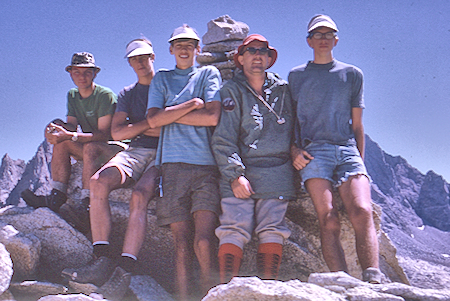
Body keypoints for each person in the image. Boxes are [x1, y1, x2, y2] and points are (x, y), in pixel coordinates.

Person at [61, 39, 160, 300]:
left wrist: (138, 125)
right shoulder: (128, 93)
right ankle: (101, 257)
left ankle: (125, 269)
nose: (139, 62)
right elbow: (117, 131)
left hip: (168, 151)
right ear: (129, 62)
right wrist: (155, 123)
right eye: (134, 58)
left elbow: (175, 125)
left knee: (140, 195)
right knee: (98, 181)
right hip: (136, 150)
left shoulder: (166, 84)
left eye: (144, 57)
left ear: (153, 56)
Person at [288, 15, 382, 284]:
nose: (323, 38)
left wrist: (360, 163)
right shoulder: (296, 76)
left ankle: (373, 278)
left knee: (362, 210)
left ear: (336, 40)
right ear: (309, 41)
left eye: (329, 33)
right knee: (328, 217)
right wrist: (293, 149)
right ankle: (342, 282)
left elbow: (358, 124)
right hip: (314, 152)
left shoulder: (352, 74)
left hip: (347, 150)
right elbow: (291, 121)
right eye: (318, 34)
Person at [211, 34, 296, 284]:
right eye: (251, 50)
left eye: (262, 51)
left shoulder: (284, 91)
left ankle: (268, 291)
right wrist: (235, 175)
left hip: (278, 171)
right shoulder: (231, 91)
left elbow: (297, 130)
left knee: (272, 227)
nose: (257, 55)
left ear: (269, 58)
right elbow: (223, 139)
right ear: (241, 58)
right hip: (241, 171)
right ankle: (226, 291)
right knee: (233, 226)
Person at [146, 25, 222, 301]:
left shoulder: (207, 74)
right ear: (170, 49)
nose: (184, 48)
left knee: (203, 239)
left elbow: (213, 117)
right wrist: (191, 105)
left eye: (190, 44)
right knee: (180, 244)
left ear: (198, 49)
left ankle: (209, 295)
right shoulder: (163, 79)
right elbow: (152, 120)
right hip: (172, 167)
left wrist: (169, 115)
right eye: (179, 43)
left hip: (205, 167)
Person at [21, 52, 122, 217]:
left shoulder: (105, 96)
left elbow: (105, 135)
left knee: (90, 147)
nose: (81, 76)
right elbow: (72, 126)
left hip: (115, 150)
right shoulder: (73, 95)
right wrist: (58, 127)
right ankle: (56, 197)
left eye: (87, 72)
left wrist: (71, 135)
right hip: (95, 148)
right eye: (77, 72)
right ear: (70, 74)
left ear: (95, 73)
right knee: (62, 142)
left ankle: (87, 202)